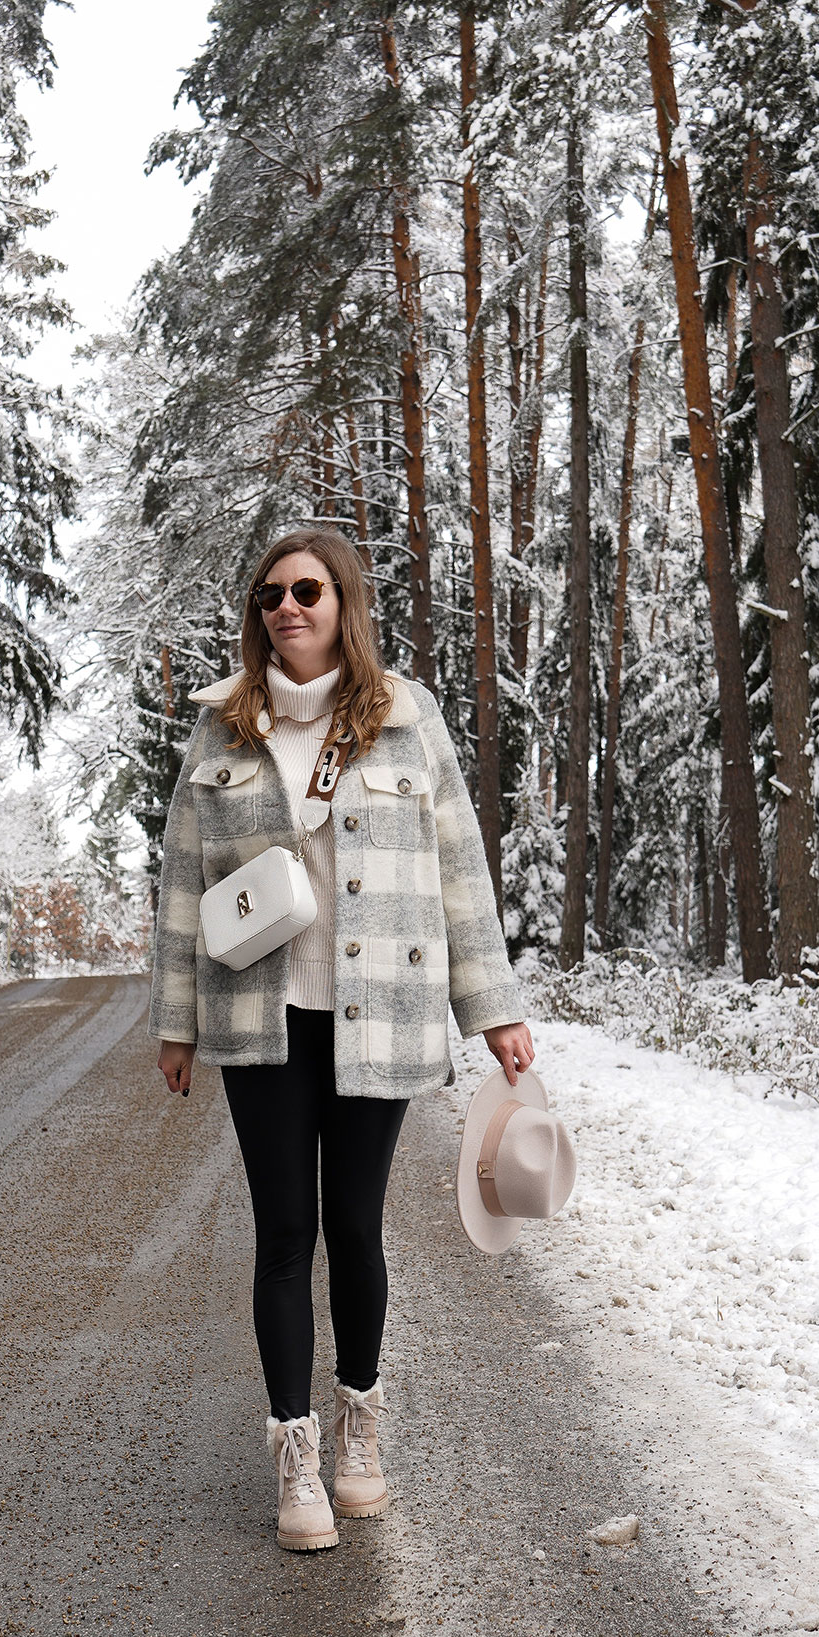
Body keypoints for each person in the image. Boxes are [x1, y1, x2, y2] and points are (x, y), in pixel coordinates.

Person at [150, 528, 533, 1552]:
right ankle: (295, 1455)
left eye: (306, 589)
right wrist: (175, 1021)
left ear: (342, 602)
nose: (286, 606)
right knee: (285, 1235)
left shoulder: (405, 724)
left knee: (355, 1228)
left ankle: (360, 1433)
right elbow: (184, 880)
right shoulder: (222, 730)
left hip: (385, 1012)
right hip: (259, 1020)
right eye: (270, 593)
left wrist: (491, 1009)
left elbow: (460, 870)